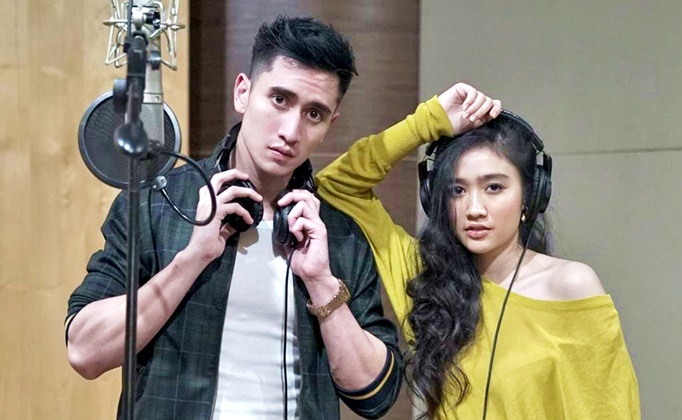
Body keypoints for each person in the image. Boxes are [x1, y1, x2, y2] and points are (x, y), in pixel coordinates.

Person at [65, 15, 403, 419]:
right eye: (280, 99)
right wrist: (192, 258)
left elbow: (375, 395)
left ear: (331, 124)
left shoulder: (339, 235)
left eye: (314, 113)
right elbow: (84, 351)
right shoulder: (156, 203)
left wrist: (321, 282)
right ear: (243, 93)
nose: (291, 131)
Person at [315, 84, 641, 419]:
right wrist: (429, 121)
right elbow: (336, 185)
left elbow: (610, 410)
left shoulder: (569, 285)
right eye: (457, 190)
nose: (474, 209)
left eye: (493, 187)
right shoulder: (426, 281)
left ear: (530, 197)